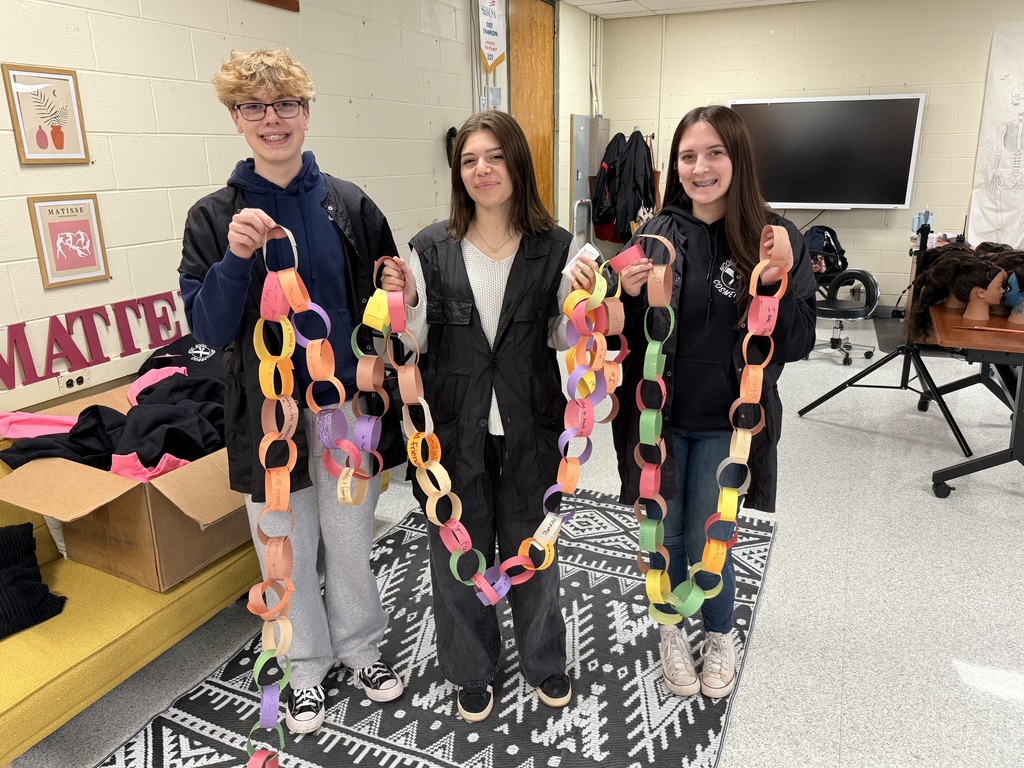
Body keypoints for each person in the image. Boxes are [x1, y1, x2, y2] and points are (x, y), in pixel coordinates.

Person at [177, 48, 405, 735]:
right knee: (285, 545)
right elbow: (207, 331)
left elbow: (383, 311)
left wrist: (398, 294)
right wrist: (234, 262)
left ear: (307, 113)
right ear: (236, 119)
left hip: (342, 409)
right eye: (254, 106)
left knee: (350, 536)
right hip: (267, 415)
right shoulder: (214, 218)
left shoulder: (350, 203)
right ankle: (305, 666)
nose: (272, 119)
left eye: (286, 105)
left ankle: (361, 649)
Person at [380, 110, 597, 723]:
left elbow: (561, 336)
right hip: (454, 429)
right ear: (458, 172)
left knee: (534, 549)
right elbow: (413, 341)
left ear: (518, 163)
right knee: (458, 553)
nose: (483, 169)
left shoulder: (558, 247)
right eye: (470, 159)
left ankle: (543, 660)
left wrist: (581, 299)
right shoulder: (428, 247)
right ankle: (471, 671)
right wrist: (410, 300)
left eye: (495, 156)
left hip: (531, 422)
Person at [610, 105, 817, 699]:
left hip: (732, 427)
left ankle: (720, 633)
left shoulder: (775, 238)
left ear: (738, 159)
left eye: (714, 154)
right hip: (663, 421)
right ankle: (671, 629)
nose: (700, 168)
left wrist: (776, 278)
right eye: (687, 156)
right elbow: (610, 331)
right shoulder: (655, 236)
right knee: (665, 538)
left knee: (712, 537)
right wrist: (613, 295)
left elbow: (799, 340)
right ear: (674, 166)